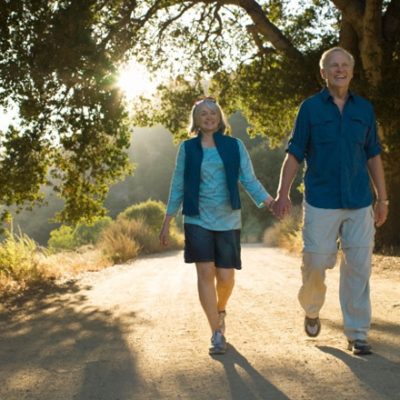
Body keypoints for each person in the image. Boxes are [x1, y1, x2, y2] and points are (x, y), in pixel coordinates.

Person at [273, 47, 388, 355]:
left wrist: (383, 198)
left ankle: (357, 333)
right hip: (321, 200)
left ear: (351, 71)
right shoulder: (310, 108)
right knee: (316, 260)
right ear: (323, 73)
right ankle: (312, 308)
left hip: (359, 200)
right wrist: (283, 193)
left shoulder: (364, 109)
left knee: (359, 267)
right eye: (333, 66)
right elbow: (295, 153)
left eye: (345, 65)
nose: (340, 70)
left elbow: (373, 154)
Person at [159, 97, 274, 355]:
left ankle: (220, 309)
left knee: (225, 277)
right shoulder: (187, 149)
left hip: (228, 219)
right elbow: (177, 185)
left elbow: (249, 179)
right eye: (203, 113)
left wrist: (270, 201)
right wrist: (167, 221)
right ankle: (216, 333)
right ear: (196, 120)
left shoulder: (234, 145)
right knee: (204, 274)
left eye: (213, 113)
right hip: (197, 218)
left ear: (220, 118)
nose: (209, 117)